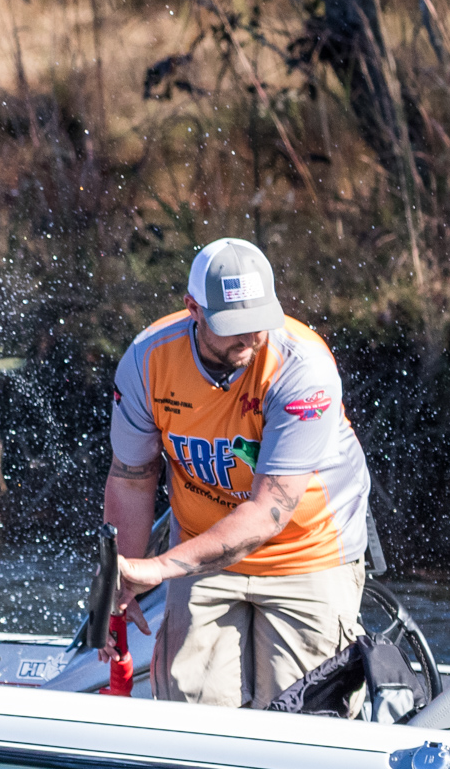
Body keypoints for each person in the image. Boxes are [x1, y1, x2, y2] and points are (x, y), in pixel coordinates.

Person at [102, 237, 370, 708]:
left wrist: (158, 568)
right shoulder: (148, 361)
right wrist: (120, 583)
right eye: (234, 327)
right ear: (193, 310)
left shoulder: (302, 368)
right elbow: (131, 475)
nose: (250, 338)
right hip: (202, 550)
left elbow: (268, 512)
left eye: (258, 322)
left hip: (307, 553)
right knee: (190, 719)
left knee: (303, 723)